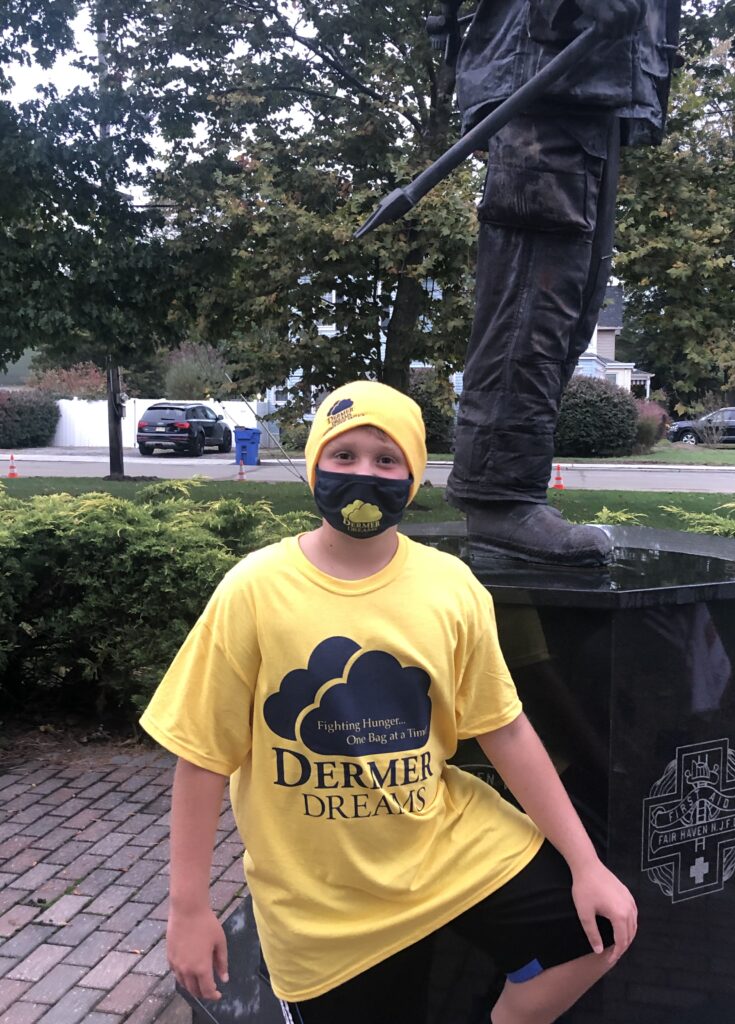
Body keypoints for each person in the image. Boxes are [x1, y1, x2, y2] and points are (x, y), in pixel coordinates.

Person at [140, 379, 637, 1024]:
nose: (364, 474)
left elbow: (506, 730)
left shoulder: (450, 587)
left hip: (448, 852)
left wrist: (586, 863)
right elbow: (202, 755)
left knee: (595, 933)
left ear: (413, 474)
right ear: (315, 464)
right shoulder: (254, 591)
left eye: (386, 458)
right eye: (344, 455)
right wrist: (188, 907)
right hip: (324, 907)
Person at [445, 0, 681, 564]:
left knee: (571, 309)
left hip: (592, 80)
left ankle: (510, 491)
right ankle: (499, 497)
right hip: (551, 71)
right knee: (533, 305)